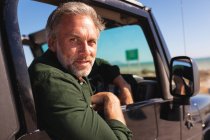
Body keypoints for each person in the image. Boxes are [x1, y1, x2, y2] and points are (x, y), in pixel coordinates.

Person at [29, 2, 132, 140]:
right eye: (74, 40)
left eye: (91, 42)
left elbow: (99, 63)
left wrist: (123, 84)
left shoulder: (66, 62)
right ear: (52, 43)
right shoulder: (51, 79)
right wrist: (111, 100)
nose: (86, 52)